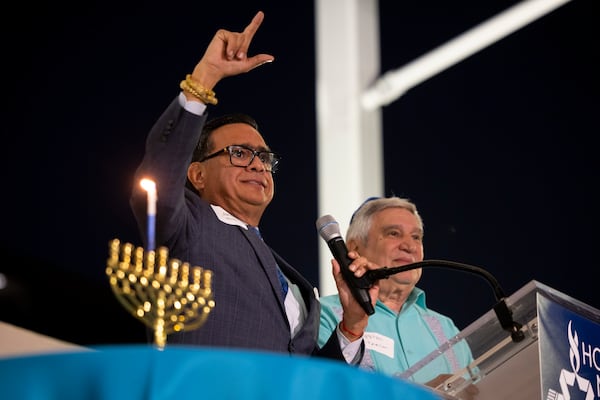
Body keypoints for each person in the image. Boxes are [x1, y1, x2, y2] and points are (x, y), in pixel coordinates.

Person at [129, 11, 379, 361]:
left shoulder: (290, 280)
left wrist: (351, 326)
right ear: (197, 175)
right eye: (239, 153)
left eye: (264, 157)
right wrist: (206, 77)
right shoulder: (186, 227)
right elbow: (161, 169)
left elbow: (309, 381)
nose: (257, 164)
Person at [318, 196, 475, 385]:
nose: (409, 246)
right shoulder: (323, 315)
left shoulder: (446, 328)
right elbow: (322, 388)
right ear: (354, 248)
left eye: (416, 237)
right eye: (393, 233)